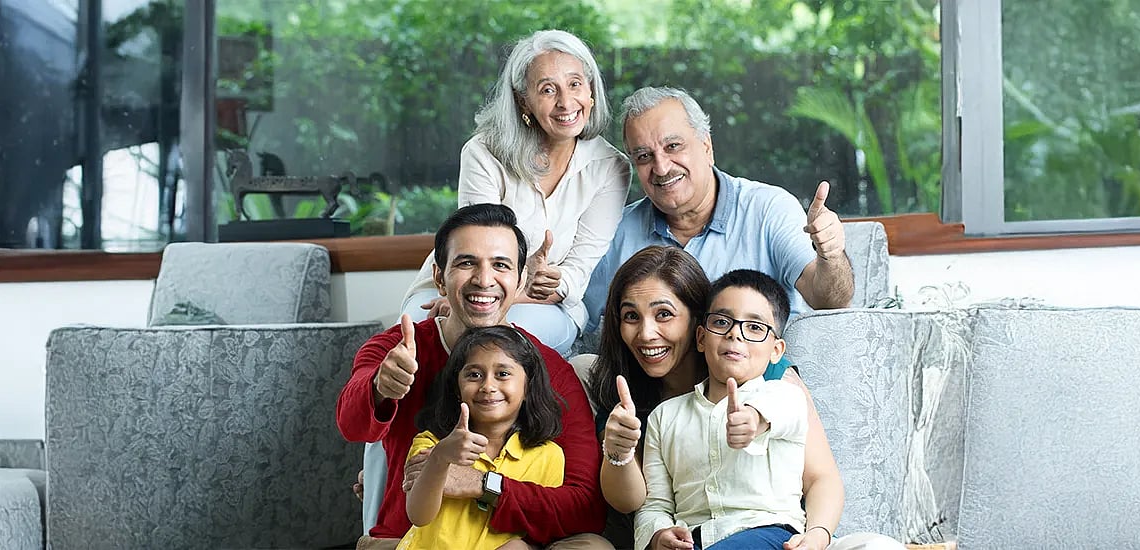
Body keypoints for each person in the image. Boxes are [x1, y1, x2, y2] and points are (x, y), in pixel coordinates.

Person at [337, 203, 608, 549]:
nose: (484, 279)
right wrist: (380, 388)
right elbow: (351, 425)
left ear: (521, 279)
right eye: (466, 263)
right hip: (413, 538)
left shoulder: (550, 368)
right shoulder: (397, 348)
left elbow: (584, 506)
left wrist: (484, 484)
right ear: (438, 277)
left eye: (501, 265)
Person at [635, 269, 903, 550]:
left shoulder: (785, 394)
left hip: (772, 534)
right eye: (722, 322)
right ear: (701, 338)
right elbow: (655, 504)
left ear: (776, 350)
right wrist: (658, 535)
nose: (734, 334)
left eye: (754, 327)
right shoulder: (665, 417)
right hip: (695, 540)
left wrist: (754, 418)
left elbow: (780, 412)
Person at [402, 29, 631, 356]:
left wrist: (533, 287)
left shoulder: (611, 167)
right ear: (523, 99)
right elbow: (474, 248)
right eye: (548, 89)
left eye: (575, 84)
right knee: (416, 328)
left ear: (591, 90)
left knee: (494, 341)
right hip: (463, 285)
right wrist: (466, 299)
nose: (566, 102)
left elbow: (577, 274)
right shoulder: (483, 153)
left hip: (547, 304)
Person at [583, 246, 828, 545]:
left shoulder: (769, 379)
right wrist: (618, 452)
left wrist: (817, 536)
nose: (646, 333)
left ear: (697, 323)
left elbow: (820, 475)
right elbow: (637, 502)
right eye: (631, 316)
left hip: (776, 533)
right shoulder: (636, 405)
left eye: (664, 314)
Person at [582, 86, 854, 336]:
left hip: (755, 384)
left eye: (673, 146)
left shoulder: (768, 209)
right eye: (644, 156)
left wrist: (830, 255)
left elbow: (830, 301)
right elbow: (582, 324)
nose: (661, 168)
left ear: (706, 146)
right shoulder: (615, 230)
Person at [399, 326, 565, 550]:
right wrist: (440, 459)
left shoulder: (548, 455)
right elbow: (418, 515)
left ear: (528, 387)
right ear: (457, 388)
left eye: (503, 374)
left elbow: (541, 526)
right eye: (474, 375)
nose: (488, 386)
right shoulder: (431, 443)